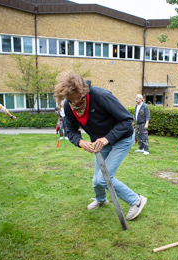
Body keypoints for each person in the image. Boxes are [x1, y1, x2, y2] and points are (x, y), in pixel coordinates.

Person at [54, 72, 147, 220]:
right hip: (101, 141)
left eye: (79, 97)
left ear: (83, 90)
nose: (76, 102)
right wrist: (81, 142)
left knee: (104, 178)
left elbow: (127, 120)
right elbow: (70, 130)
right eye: (72, 99)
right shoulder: (68, 105)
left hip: (122, 138)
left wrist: (107, 138)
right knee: (97, 180)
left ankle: (136, 200)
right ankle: (101, 199)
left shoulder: (101, 96)